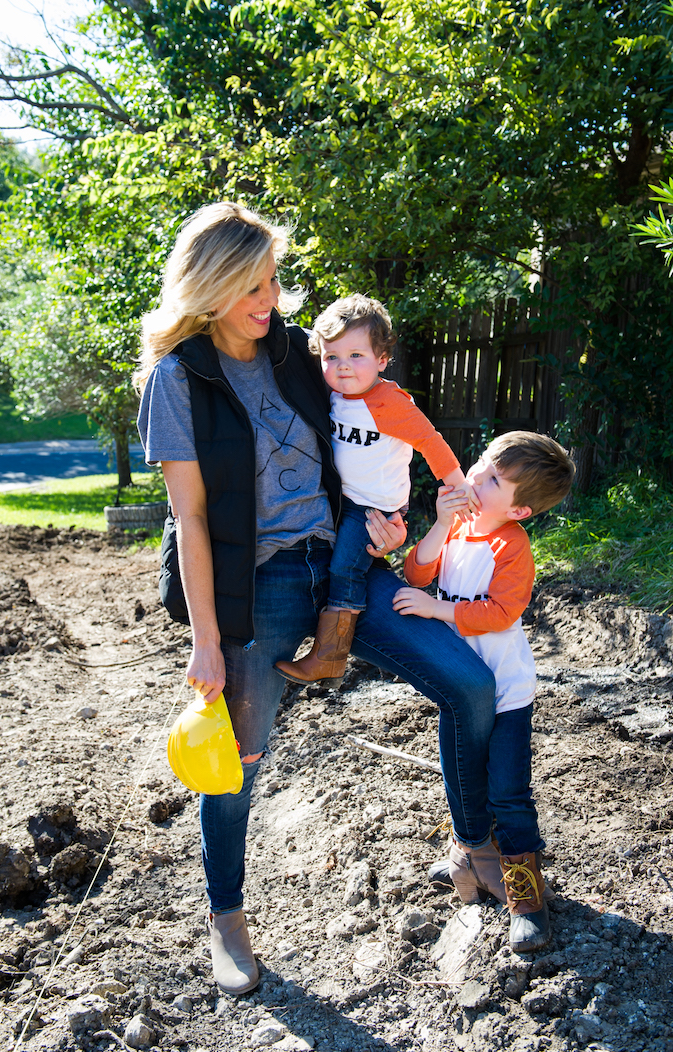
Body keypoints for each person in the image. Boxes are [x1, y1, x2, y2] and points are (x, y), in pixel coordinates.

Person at [135, 201, 497, 997]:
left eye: (273, 282)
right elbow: (190, 519)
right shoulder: (177, 380)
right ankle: (225, 916)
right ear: (210, 284)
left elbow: (376, 427)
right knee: (240, 763)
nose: (272, 301)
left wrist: (394, 517)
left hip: (345, 564)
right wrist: (204, 640)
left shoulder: (300, 354)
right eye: (254, 286)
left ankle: (473, 846)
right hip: (255, 588)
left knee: (470, 684)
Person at [393, 431, 575, 952]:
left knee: (508, 793)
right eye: (481, 464)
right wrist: (441, 523)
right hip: (457, 685)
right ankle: (465, 856)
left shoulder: (510, 546)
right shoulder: (461, 525)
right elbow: (416, 569)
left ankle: (526, 894)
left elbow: (502, 612)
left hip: (505, 695)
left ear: (518, 510)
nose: (474, 476)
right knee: (462, 775)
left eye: (493, 479)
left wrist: (439, 610)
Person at [275, 294, 477, 688]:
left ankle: (329, 657)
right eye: (331, 357)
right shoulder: (334, 393)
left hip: (372, 508)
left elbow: (430, 441)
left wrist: (459, 487)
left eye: (355, 356)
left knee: (344, 568)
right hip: (342, 499)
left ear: (382, 360)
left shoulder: (389, 401)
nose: (343, 367)